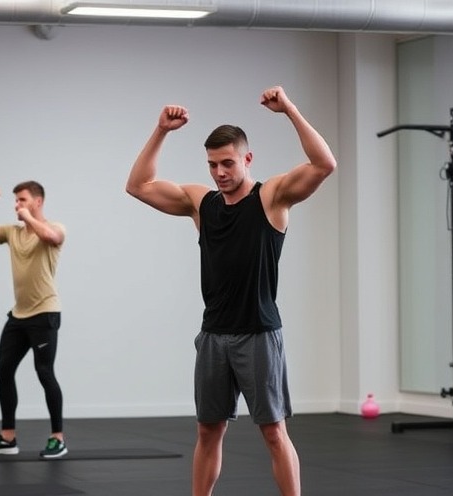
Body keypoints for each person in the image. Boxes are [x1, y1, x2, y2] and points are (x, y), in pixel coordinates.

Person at [125, 85, 337, 496]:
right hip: (214, 335)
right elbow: (138, 185)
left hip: (258, 332)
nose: (219, 173)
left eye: (227, 163)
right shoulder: (200, 203)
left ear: (247, 159)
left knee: (274, 432)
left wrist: (290, 109)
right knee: (208, 431)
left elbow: (324, 163)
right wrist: (161, 131)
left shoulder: (272, 197)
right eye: (212, 165)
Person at [0, 181, 68, 459]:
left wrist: (29, 218)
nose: (17, 205)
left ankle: (58, 438)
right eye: (16, 201)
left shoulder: (55, 227)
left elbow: (51, 238)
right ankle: (8, 438)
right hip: (19, 315)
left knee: (44, 372)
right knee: (4, 369)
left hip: (45, 313)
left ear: (38, 201)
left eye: (22, 200)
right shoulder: (12, 233)